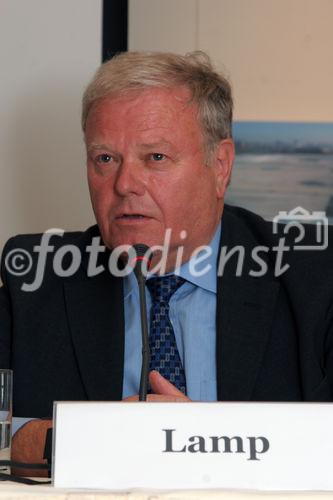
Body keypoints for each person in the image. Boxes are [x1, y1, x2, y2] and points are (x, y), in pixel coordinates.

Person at [0, 51, 332, 475]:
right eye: (105, 159)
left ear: (220, 165)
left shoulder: (315, 275)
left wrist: (200, 442)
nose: (124, 185)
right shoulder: (34, 278)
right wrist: (72, 439)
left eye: (155, 158)